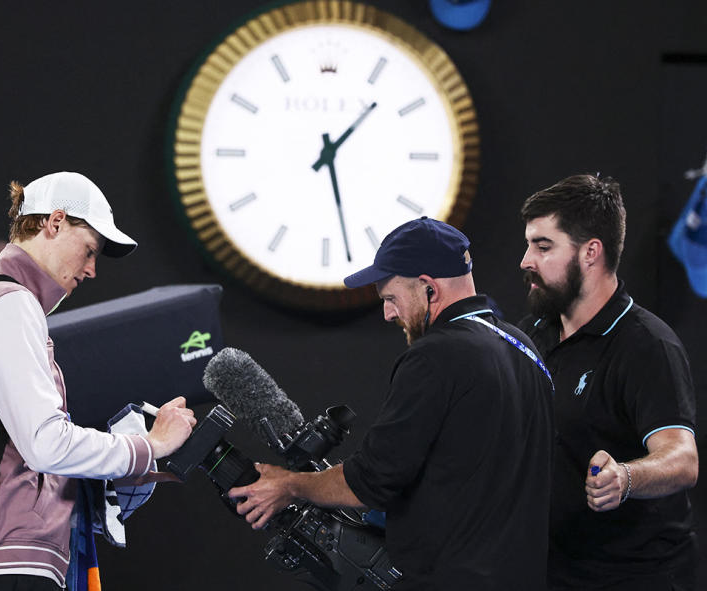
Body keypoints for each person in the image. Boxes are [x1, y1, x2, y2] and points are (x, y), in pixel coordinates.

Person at [229, 217, 554, 590]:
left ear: (429, 289)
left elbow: (371, 482)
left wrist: (289, 485)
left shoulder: (436, 355)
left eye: (390, 299)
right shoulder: (527, 349)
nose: (388, 314)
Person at [0, 171, 196, 590]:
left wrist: (105, 480)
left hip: (8, 560)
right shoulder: (9, 304)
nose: (92, 270)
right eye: (89, 250)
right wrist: (148, 446)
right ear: (54, 223)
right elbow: (46, 444)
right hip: (10, 567)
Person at [518, 174, 698, 590]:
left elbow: (682, 458)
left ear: (591, 253)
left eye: (543, 247)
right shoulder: (534, 334)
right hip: (556, 572)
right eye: (529, 245)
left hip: (638, 576)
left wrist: (625, 478)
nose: (526, 260)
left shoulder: (646, 345)